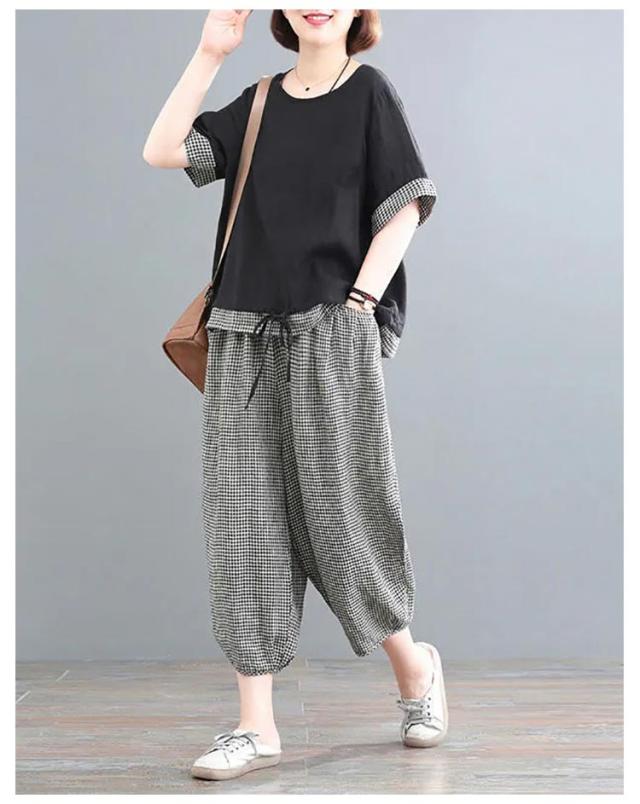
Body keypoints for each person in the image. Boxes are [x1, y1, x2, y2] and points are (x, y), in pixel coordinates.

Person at [143, 9, 447, 782]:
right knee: (243, 524)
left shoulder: (369, 92)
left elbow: (406, 204)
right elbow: (163, 150)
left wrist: (360, 303)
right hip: (242, 331)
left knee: (342, 518)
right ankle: (256, 726)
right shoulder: (258, 101)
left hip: (331, 331)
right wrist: (209, 52)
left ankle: (414, 670)